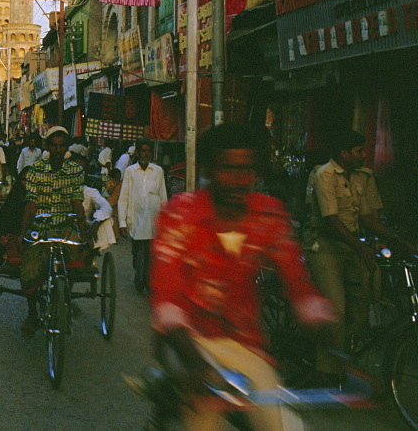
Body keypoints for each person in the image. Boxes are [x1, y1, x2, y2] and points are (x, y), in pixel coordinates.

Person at [150, 124, 334, 431]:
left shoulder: (269, 214)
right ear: (209, 169)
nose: (240, 180)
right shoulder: (179, 216)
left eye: (247, 170)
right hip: (187, 341)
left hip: (245, 344)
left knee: (278, 425)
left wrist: (324, 329)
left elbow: (297, 281)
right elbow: (166, 298)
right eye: (229, 169)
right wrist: (195, 363)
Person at [305, 130, 413, 381]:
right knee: (336, 310)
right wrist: (361, 248)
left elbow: (369, 218)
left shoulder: (363, 177)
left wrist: (398, 240)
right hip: (325, 247)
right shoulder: (325, 175)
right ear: (343, 153)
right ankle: (326, 371)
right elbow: (331, 221)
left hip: (352, 245)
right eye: (358, 151)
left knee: (361, 305)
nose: (363, 155)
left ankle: (345, 359)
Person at [18, 127, 89, 337]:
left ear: (66, 149)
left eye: (62, 146)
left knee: (78, 260)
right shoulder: (36, 170)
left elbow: (77, 203)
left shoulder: (75, 171)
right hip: (40, 228)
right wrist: (23, 234)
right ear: (47, 147)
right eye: (54, 146)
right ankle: (32, 313)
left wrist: (84, 233)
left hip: (65, 227)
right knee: (29, 272)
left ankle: (65, 296)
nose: (58, 151)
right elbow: (30, 205)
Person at [119, 139, 167, 294]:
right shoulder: (130, 171)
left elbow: (163, 196)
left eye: (148, 151)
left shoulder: (158, 171)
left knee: (151, 254)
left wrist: (166, 220)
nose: (146, 154)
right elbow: (124, 197)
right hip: (136, 219)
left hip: (154, 218)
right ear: (138, 153)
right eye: (143, 151)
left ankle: (147, 281)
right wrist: (122, 222)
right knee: (139, 252)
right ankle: (140, 278)